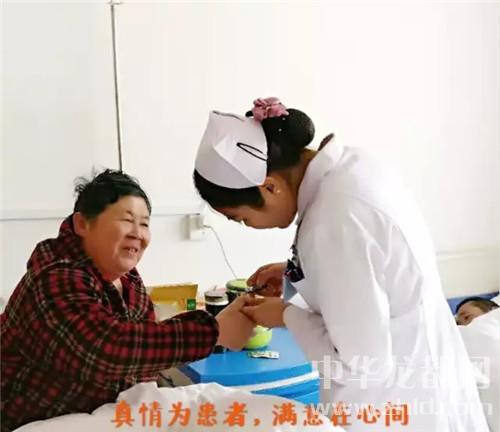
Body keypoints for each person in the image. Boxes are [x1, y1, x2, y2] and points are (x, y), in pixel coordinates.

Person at [193, 98, 489, 431]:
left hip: (396, 405)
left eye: (242, 219)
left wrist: (287, 315)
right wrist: (299, 273)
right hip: (425, 376)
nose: (249, 227)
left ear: (269, 186)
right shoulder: (353, 167)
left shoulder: (334, 222)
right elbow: (375, 272)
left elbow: (361, 366)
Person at [1, 169, 254, 432]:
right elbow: (106, 347)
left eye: (144, 224)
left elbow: (141, 355)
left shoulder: (129, 281)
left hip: (101, 418)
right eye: (126, 220)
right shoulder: (54, 277)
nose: (137, 233)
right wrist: (213, 331)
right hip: (31, 422)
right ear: (82, 224)